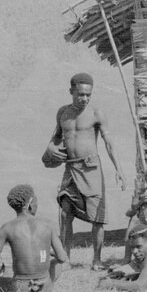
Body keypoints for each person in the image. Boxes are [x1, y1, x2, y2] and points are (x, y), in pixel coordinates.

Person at [51, 72, 127, 271]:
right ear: (71, 91)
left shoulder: (96, 113)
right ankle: (65, 259)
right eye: (81, 94)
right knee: (65, 212)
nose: (85, 98)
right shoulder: (63, 113)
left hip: (91, 169)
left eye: (88, 95)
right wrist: (51, 149)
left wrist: (118, 169)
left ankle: (97, 260)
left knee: (97, 218)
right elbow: (56, 136)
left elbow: (109, 142)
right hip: (71, 168)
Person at [0, 184, 69, 292]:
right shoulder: (48, 225)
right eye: (36, 201)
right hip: (45, 286)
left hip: (20, 288)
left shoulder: (6, 228)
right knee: (56, 262)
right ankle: (44, 284)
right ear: (30, 204)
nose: (37, 205)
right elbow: (62, 258)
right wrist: (47, 253)